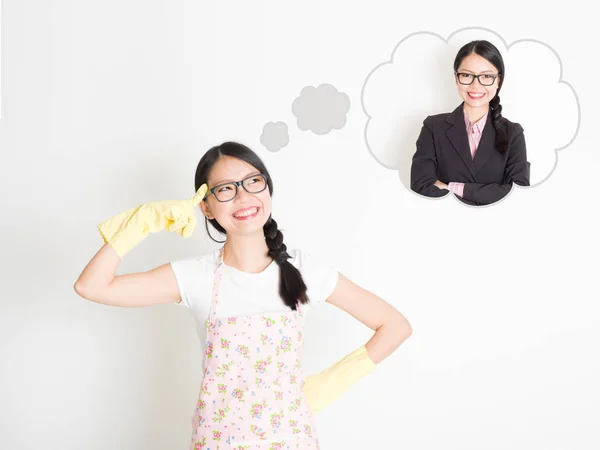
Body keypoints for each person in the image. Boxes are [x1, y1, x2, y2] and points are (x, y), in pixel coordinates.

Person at [74, 141, 412, 449]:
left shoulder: (306, 271)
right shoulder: (195, 276)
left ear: (267, 187)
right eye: (225, 189)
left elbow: (394, 326)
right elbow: (92, 286)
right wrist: (141, 223)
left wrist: (328, 384)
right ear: (206, 207)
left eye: (253, 181)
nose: (243, 197)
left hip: (291, 439)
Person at [410, 40, 530, 206]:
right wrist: (490, 191)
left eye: (486, 76)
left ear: (498, 80)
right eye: (467, 75)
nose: (475, 85)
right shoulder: (433, 127)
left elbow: (517, 194)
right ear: (456, 78)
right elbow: (421, 186)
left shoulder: (513, 133)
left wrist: (452, 187)